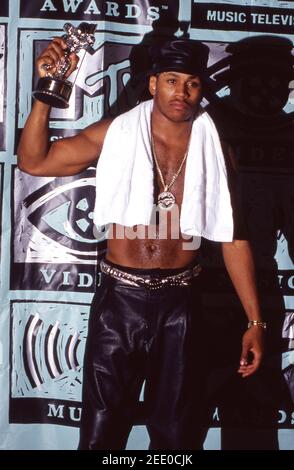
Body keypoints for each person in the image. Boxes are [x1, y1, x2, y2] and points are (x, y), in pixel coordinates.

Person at [17, 36, 265, 450]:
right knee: (100, 436)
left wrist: (255, 322)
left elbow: (233, 239)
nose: (181, 93)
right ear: (153, 85)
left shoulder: (216, 150)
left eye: (191, 84)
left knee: (176, 438)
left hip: (181, 304)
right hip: (121, 302)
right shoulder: (114, 133)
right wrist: (46, 92)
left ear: (201, 89)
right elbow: (34, 161)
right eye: (171, 81)